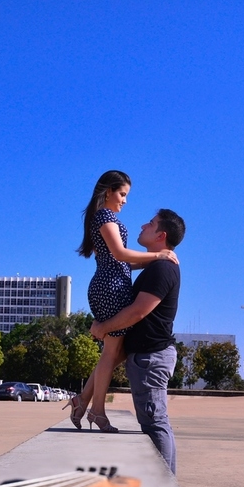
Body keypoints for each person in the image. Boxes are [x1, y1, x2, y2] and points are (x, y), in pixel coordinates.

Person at [68, 171, 176, 433]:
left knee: (116, 351)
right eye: (122, 194)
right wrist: (159, 255)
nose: (125, 201)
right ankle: (97, 411)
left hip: (111, 284)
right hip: (110, 288)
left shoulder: (106, 218)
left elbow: (122, 262)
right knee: (110, 353)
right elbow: (119, 254)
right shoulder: (104, 217)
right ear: (108, 191)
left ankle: (83, 402)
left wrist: (157, 259)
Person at [90, 209, 185, 473]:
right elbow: (120, 261)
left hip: (151, 358)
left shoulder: (163, 269)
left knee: (155, 424)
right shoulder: (155, 264)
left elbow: (138, 311)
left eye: (151, 224)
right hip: (148, 357)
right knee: (153, 423)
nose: (144, 225)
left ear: (161, 235)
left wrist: (103, 327)